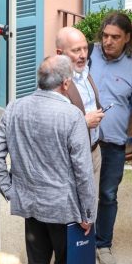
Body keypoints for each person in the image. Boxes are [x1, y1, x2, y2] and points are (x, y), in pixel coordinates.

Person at [0, 55, 96, 264]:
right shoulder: (72, 115)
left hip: (31, 206)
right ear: (66, 83)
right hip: (64, 209)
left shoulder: (15, 108)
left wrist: (11, 191)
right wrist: (88, 213)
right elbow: (83, 170)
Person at [89, 13, 132, 264]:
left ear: (127, 38)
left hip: (114, 143)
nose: (108, 42)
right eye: (105, 36)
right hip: (82, 140)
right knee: (79, 192)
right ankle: (76, 243)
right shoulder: (87, 55)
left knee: (107, 194)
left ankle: (103, 243)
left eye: (115, 37)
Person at [55, 26, 104, 187]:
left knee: (91, 210)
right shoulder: (53, 84)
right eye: (76, 50)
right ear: (60, 53)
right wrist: (84, 122)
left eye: (85, 48)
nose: (83, 55)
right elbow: (51, 129)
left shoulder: (84, 73)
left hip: (94, 152)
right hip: (72, 161)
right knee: (74, 211)